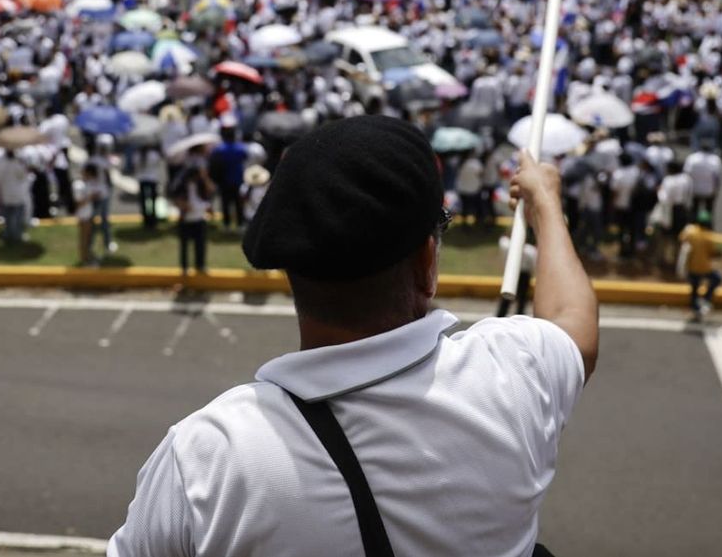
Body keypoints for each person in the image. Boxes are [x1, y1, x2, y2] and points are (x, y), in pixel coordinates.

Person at [107, 115, 597, 556]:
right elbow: (572, 319)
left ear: (292, 272)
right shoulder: (511, 374)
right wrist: (545, 204)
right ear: (426, 263)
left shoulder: (209, 457)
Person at [171, 143, 214, 276]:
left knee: (200, 244)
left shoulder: (201, 183)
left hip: (199, 217)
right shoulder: (182, 185)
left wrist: (205, 178)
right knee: (185, 245)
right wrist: (182, 205)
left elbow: (210, 191)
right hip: (186, 217)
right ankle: (184, 267)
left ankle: (200, 265)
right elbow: (174, 196)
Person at [678, 210, 721, 316]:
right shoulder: (708, 236)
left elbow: (681, 239)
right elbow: (713, 252)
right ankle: (706, 298)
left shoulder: (690, 232)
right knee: (718, 278)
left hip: (691, 268)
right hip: (705, 268)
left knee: (694, 289)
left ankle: (695, 308)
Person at [0, 147, 33, 246]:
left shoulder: (1, 163)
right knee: (17, 217)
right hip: (17, 195)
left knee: (8, 217)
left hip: (6, 194)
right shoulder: (16, 163)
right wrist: (23, 164)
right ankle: (17, 235)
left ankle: (8, 234)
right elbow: (23, 175)